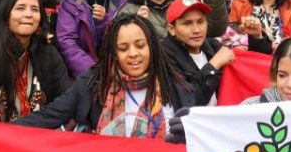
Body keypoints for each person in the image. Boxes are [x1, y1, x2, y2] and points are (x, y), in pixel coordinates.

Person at [17, 14, 192, 138]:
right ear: (114, 53)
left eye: (140, 45)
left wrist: (188, 136)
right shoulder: (93, 84)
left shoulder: (177, 86)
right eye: (123, 49)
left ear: (152, 47)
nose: (133, 54)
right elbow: (47, 116)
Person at [56, 0, 127, 77]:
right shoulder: (70, 2)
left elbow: (121, 39)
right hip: (83, 71)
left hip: (115, 68)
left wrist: (104, 21)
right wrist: (92, 72)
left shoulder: (120, 3)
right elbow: (66, 41)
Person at [163, 0, 236, 106]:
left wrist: (257, 38)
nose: (196, 30)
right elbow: (188, 100)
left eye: (200, 21)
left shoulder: (213, 46)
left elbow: (251, 70)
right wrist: (213, 66)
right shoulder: (164, 55)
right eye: (187, 23)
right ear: (172, 29)